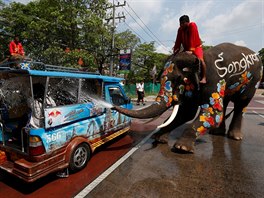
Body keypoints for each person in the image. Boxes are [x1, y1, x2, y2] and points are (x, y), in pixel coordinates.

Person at [172, 15, 207, 84]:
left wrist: (191, 50)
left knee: (201, 60)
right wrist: (176, 49)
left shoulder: (192, 25)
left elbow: (192, 38)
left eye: (182, 23)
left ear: (187, 22)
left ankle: (204, 77)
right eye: (180, 23)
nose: (181, 25)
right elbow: (178, 40)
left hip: (196, 47)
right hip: (186, 49)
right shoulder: (180, 29)